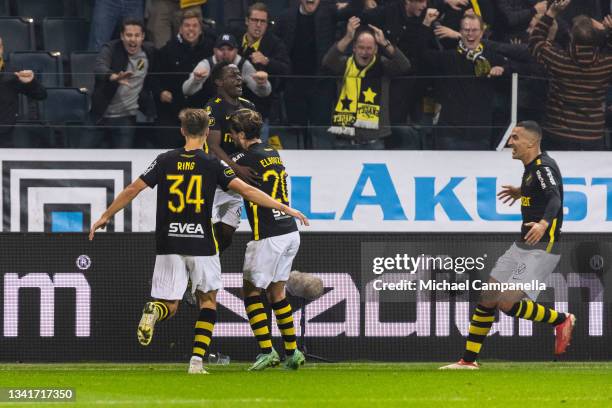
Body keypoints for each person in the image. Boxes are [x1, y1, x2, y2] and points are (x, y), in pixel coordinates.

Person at [89, 108, 308, 374]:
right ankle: (196, 362)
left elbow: (133, 189)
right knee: (208, 301)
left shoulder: (164, 159)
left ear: (182, 131)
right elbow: (249, 191)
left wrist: (104, 216)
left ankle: (154, 311)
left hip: (169, 242)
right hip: (201, 242)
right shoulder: (213, 164)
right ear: (207, 133)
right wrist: (287, 208)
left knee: (170, 304)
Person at [440, 121, 575, 370]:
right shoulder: (532, 169)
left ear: (532, 142)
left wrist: (544, 223)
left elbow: (554, 198)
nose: (510, 142)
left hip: (541, 247)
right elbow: (542, 191)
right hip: (522, 245)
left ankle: (561, 319)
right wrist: (521, 191)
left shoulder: (543, 167)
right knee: (489, 296)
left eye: (515, 138)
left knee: (507, 303)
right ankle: (468, 362)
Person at [227, 108, 305, 371]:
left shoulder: (242, 158)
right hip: (289, 231)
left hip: (268, 234)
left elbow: (225, 169)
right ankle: (293, 352)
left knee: (250, 291)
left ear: (240, 134)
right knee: (277, 292)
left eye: (233, 134)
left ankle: (266, 350)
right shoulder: (273, 152)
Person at [529, 0, 612, 150]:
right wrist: (608, 32)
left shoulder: (560, 60)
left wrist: (551, 13)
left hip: (558, 135)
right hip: (592, 137)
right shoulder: (605, 65)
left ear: (571, 39)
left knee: (554, 174)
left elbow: (535, 42)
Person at [419, 11, 506, 149]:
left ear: (482, 33)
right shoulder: (447, 58)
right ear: (460, 32)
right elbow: (420, 54)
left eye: (474, 30)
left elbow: (522, 64)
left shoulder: (494, 59)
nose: (470, 34)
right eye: (466, 30)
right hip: (449, 134)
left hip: (480, 135)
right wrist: (426, 24)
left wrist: (504, 70)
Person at [323, 18, 411, 149]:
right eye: (361, 47)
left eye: (369, 48)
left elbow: (404, 66)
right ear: (354, 48)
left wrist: (385, 43)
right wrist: (347, 37)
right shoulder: (344, 64)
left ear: (376, 49)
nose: (365, 52)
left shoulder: (382, 64)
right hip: (346, 140)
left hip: (374, 140)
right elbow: (328, 61)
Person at [203, 62, 261, 252]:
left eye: (239, 75)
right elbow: (212, 146)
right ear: (219, 81)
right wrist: (237, 168)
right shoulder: (213, 107)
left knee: (226, 235)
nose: (239, 78)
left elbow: (254, 141)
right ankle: (198, 273)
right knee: (204, 232)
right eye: (232, 75)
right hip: (214, 180)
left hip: (236, 182)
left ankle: (210, 263)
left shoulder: (248, 106)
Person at [91, 19, 157, 148]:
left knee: (124, 160)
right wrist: (114, 77)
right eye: (129, 35)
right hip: (99, 114)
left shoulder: (150, 52)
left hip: (126, 118)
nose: (133, 39)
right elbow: (99, 67)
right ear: (122, 36)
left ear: (143, 36)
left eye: (137, 35)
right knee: (82, 157)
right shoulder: (111, 48)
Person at [153, 10, 215, 147]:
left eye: (194, 26)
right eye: (187, 25)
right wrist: (161, 92)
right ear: (180, 28)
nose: (191, 29)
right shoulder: (167, 50)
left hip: (201, 114)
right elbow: (154, 78)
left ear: (200, 29)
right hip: (173, 113)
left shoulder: (210, 49)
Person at [182, 33, 272, 108]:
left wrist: (263, 84)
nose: (225, 53)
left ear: (236, 50)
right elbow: (186, 91)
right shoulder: (206, 64)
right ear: (214, 50)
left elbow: (263, 93)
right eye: (221, 49)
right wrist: (196, 80)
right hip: (210, 111)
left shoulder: (243, 65)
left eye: (230, 49)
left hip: (237, 114)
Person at [0, 36, 47, 148]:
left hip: (4, 138)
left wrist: (31, 82)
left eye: (0, 46)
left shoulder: (12, 73)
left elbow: (41, 95)